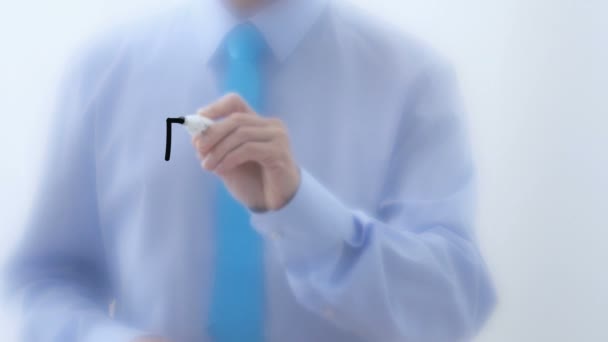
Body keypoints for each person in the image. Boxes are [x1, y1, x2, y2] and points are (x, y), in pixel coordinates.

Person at [5, 0, 496, 341]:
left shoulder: (412, 80)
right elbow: (44, 279)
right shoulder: (102, 70)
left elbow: (450, 306)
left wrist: (300, 210)